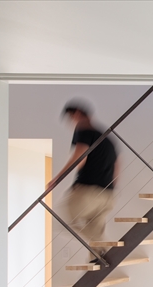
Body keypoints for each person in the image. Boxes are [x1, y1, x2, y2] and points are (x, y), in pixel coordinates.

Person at [47, 100, 119, 259]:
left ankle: (105, 245)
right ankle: (98, 263)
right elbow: (117, 164)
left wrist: (57, 179)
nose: (72, 122)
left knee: (58, 221)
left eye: (71, 118)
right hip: (107, 195)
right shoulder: (107, 137)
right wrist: (111, 188)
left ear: (78, 113)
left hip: (87, 191)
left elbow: (79, 157)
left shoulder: (84, 130)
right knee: (94, 236)